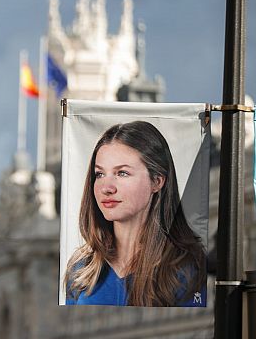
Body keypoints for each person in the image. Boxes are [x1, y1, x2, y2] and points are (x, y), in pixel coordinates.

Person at [64, 121, 207, 307]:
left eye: (122, 173)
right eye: (99, 174)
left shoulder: (186, 271)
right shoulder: (81, 270)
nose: (106, 188)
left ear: (157, 181)